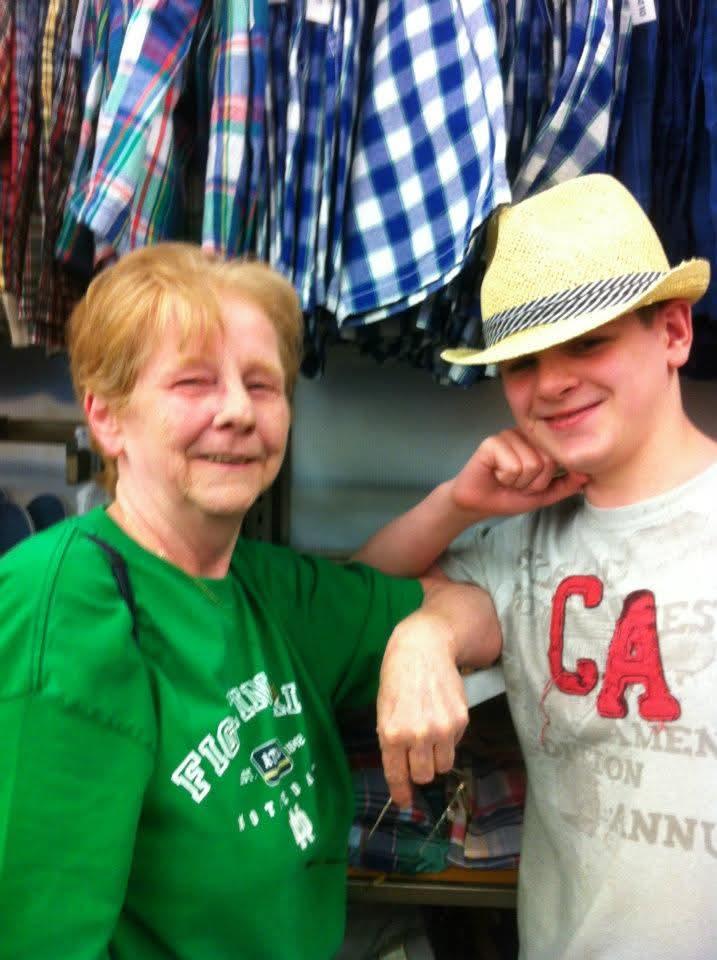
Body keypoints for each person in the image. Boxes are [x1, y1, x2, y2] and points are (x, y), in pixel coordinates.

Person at [0, 243, 498, 959]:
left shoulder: (265, 587)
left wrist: (425, 639)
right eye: (194, 383)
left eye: (262, 385)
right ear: (107, 417)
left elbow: (477, 614)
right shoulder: (65, 615)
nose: (237, 411)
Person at [356, 174, 717, 960]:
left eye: (588, 341)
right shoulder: (520, 542)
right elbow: (352, 594)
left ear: (674, 332)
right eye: (522, 361)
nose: (551, 383)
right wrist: (453, 515)